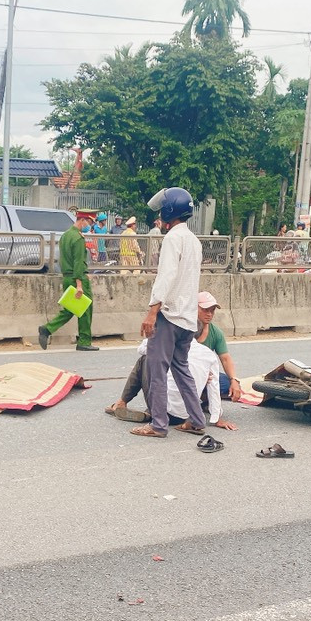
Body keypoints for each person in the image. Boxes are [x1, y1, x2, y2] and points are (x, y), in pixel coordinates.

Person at [133, 186, 206, 439]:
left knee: (156, 371)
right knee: (181, 369)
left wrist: (152, 312)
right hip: (187, 319)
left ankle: (158, 424)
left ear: (168, 211)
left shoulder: (173, 239)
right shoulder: (194, 241)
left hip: (169, 315)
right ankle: (197, 420)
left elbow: (166, 277)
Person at [105, 337, 236, 430]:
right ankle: (152, 414)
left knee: (144, 360)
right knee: (208, 379)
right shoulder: (207, 353)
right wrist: (216, 418)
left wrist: (159, 339)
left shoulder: (167, 344)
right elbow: (214, 386)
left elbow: (142, 349)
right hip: (185, 415)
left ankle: (123, 403)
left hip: (162, 410)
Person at [38, 213, 97, 351]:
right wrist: (80, 284)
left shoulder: (65, 235)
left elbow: (67, 258)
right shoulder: (78, 238)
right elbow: (77, 261)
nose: (90, 225)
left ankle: (47, 329)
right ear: (82, 220)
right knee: (86, 310)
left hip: (67, 277)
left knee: (70, 309)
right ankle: (84, 341)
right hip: (77, 278)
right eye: (89, 222)